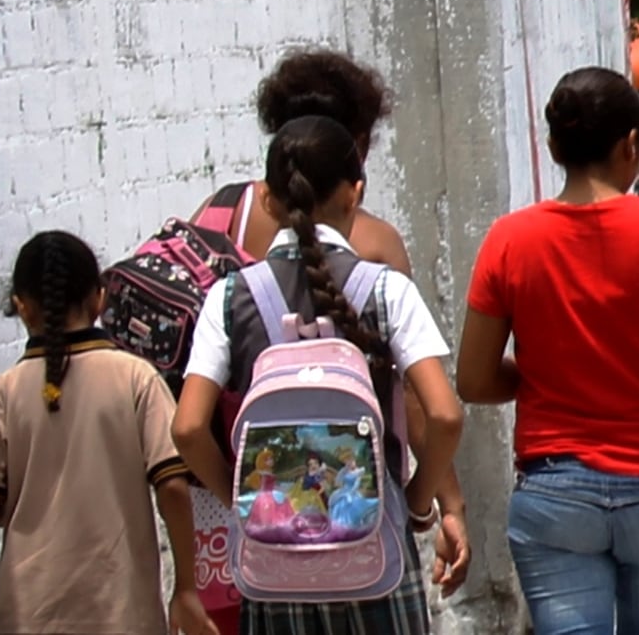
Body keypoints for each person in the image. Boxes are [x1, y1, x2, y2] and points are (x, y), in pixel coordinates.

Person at [456, 66, 639, 634]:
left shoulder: (509, 240)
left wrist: (545, 376)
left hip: (554, 492)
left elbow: (473, 379)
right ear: (631, 144)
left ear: (555, 145)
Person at [190, 46, 470, 602]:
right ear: (355, 185)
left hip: (270, 554)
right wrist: (427, 502)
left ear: (270, 193)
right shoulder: (382, 275)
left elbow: (186, 428)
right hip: (373, 540)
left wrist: (242, 505)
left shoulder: (227, 266)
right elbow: (437, 411)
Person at [0, 231, 216, 635]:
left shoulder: (5, 391)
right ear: (100, 298)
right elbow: (173, 489)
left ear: (22, 308)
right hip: (122, 613)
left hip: (26, 616)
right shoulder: (136, 378)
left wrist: (37, 509)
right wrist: (185, 589)